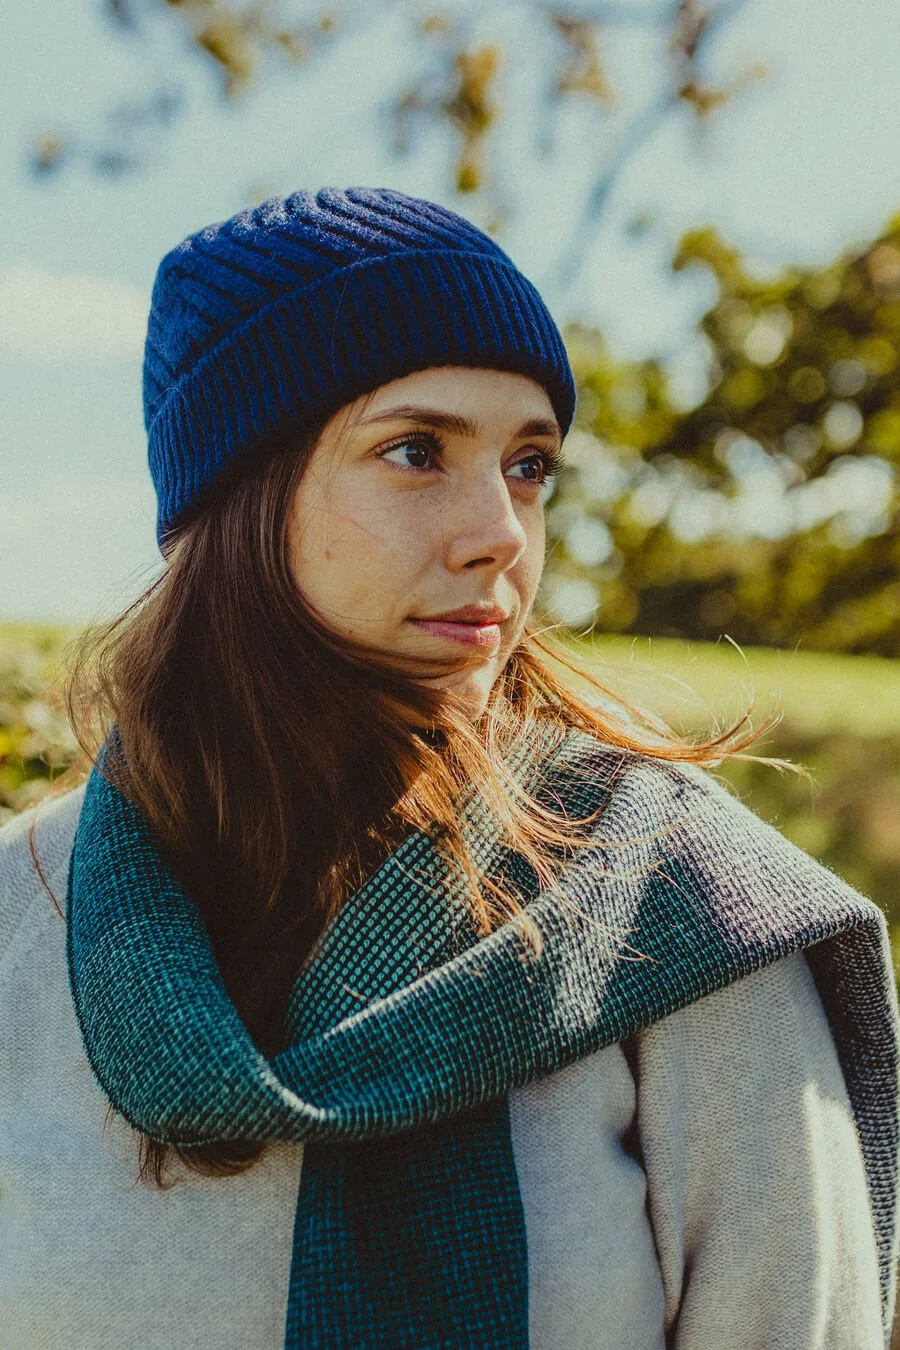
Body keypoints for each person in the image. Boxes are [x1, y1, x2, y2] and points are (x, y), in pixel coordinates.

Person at [0, 186, 897, 1350]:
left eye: (531, 465)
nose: (502, 532)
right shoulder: (25, 915)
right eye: (416, 452)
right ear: (238, 496)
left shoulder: (675, 917)